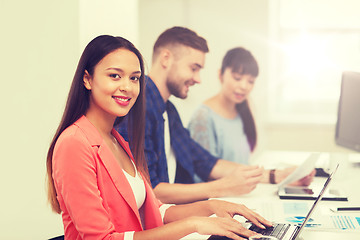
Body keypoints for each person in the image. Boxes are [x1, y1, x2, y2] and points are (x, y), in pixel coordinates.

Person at [46, 35, 272, 240]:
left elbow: (156, 210)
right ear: (87, 79)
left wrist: (212, 207)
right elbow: (100, 239)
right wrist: (195, 224)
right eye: (115, 76)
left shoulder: (118, 140)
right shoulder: (74, 143)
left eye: (134, 78)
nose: (127, 87)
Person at [116, 27, 314, 205]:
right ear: (166, 58)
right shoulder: (138, 108)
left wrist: (276, 176)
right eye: (194, 68)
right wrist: (223, 187)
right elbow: (150, 190)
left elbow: (205, 162)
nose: (198, 79)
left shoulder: (169, 111)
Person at [188, 47, 316, 184]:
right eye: (237, 78)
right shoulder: (203, 117)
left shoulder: (242, 111)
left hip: (241, 192)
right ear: (220, 75)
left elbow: (242, 166)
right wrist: (275, 177)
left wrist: (285, 177)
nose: (244, 86)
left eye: (251, 81)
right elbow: (205, 173)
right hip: (217, 199)